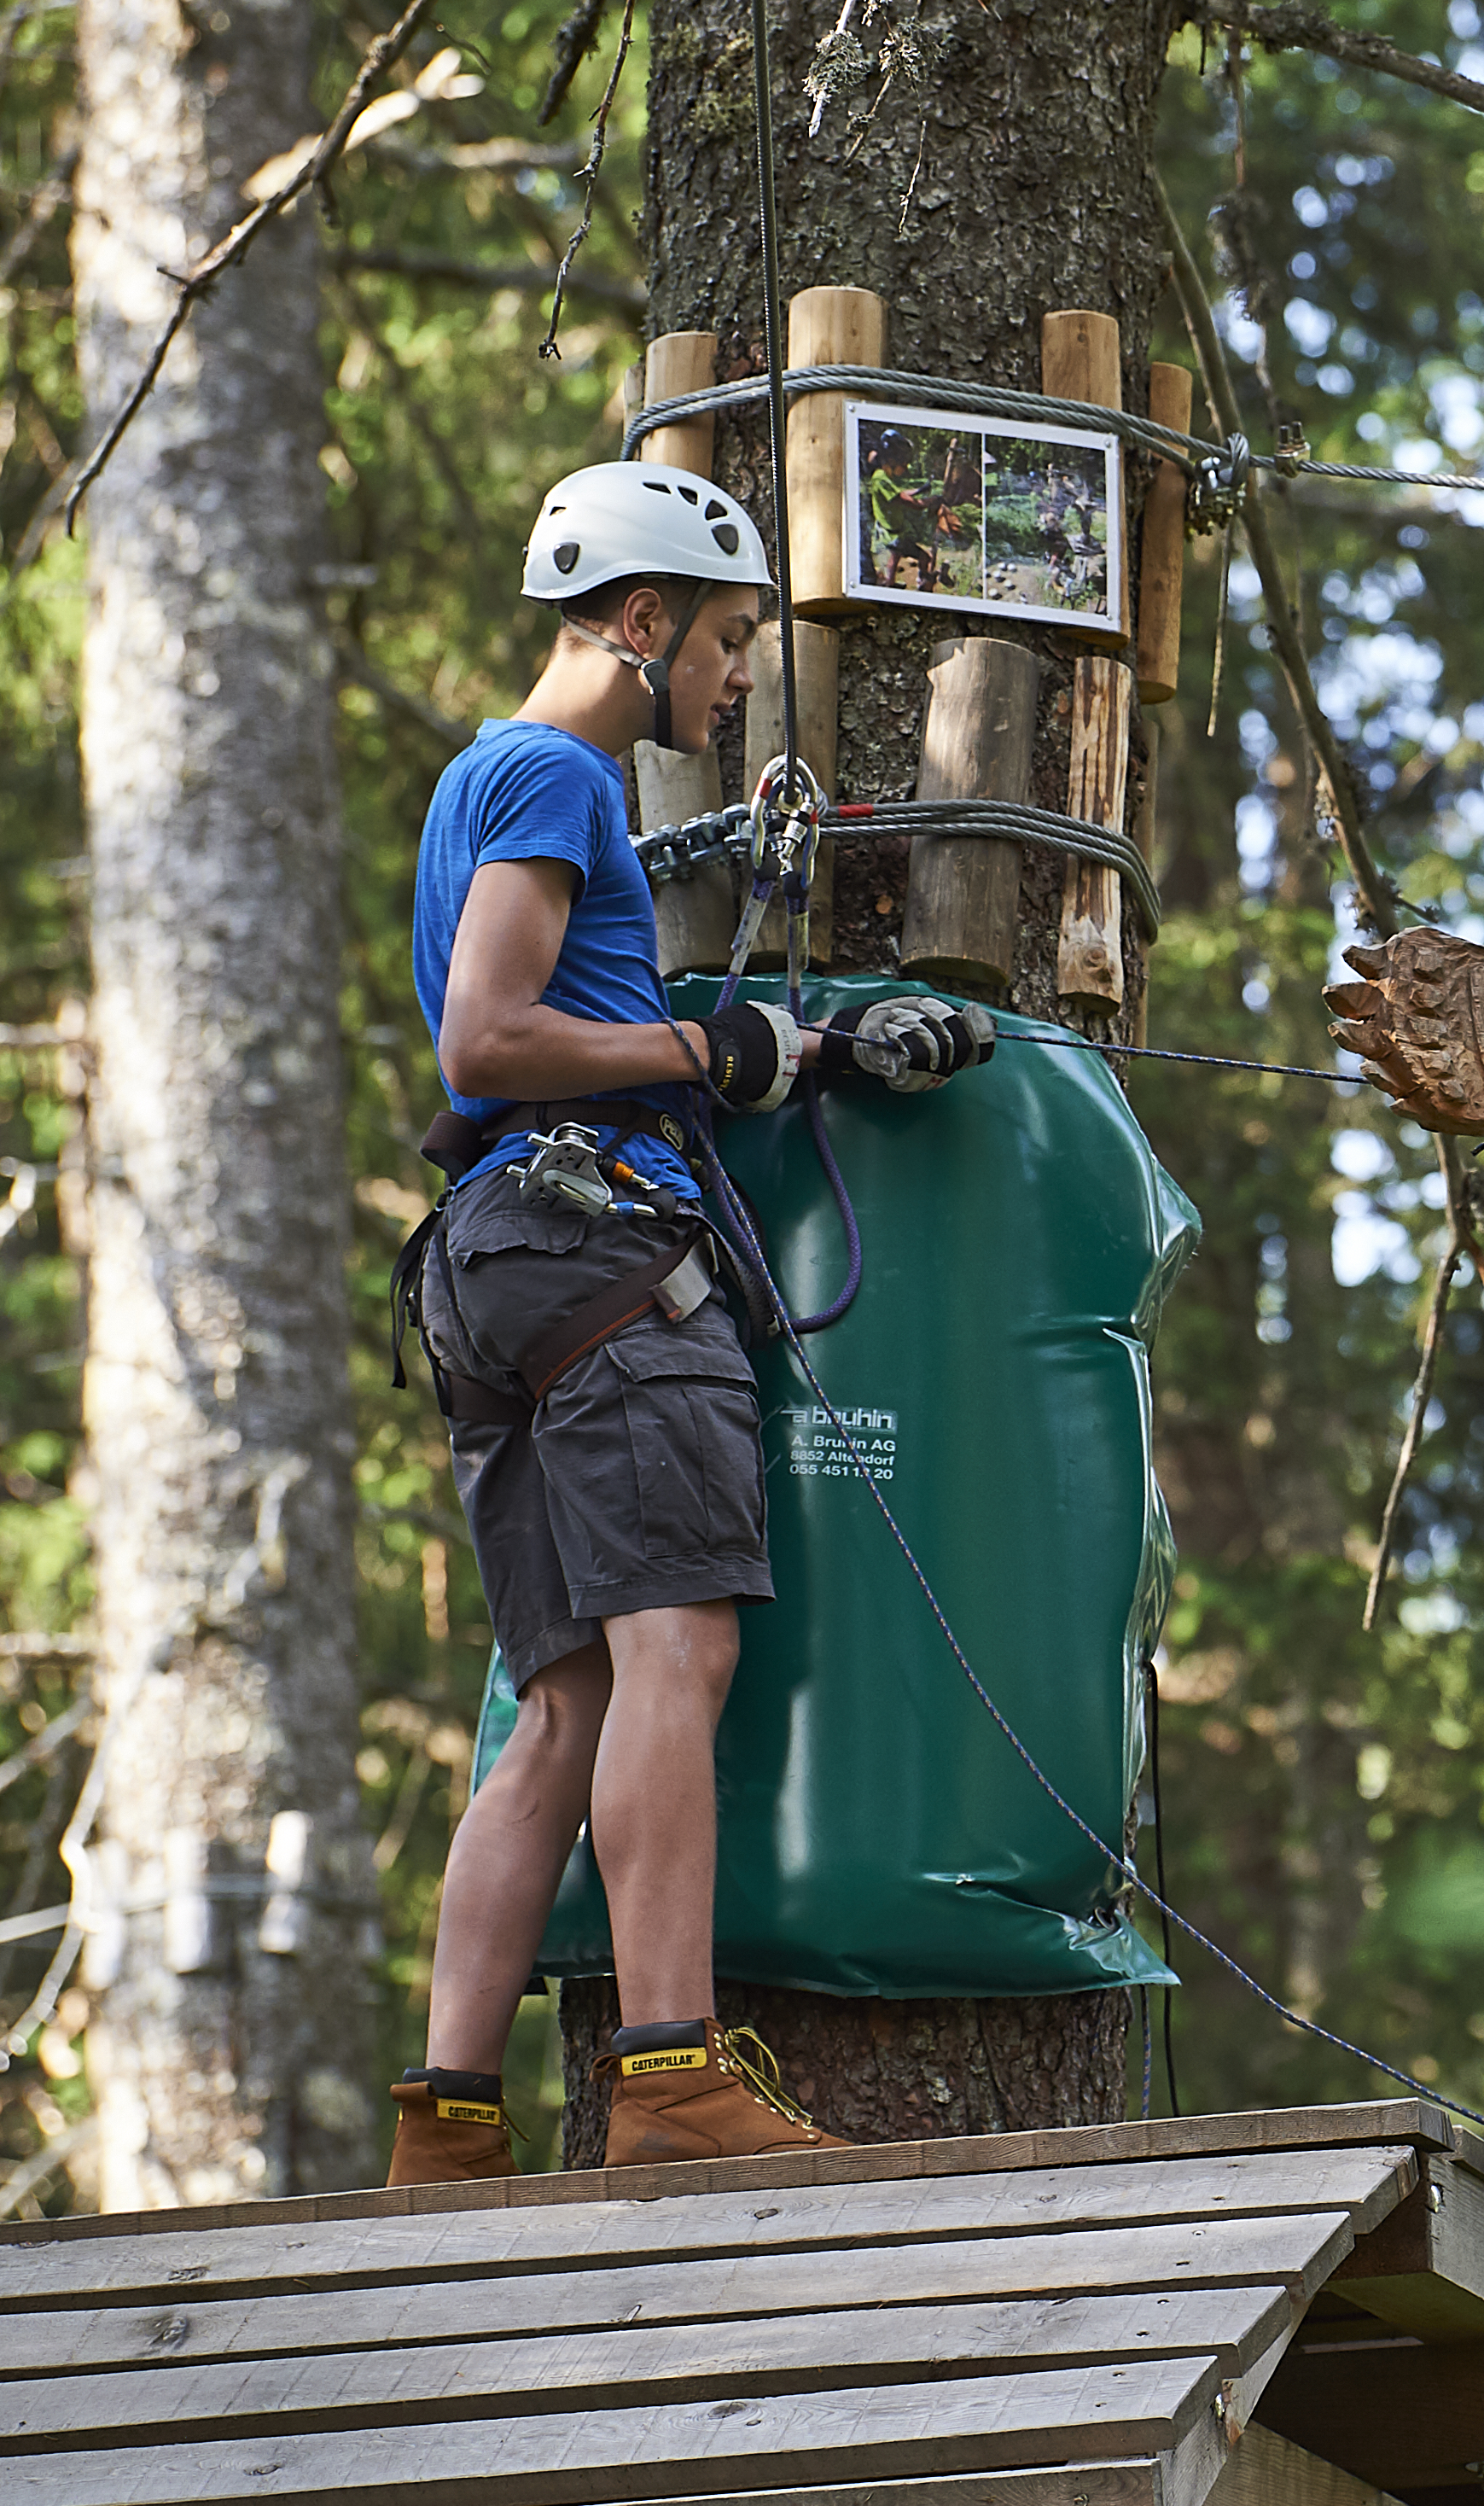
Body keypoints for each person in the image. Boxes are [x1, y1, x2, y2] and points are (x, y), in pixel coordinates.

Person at [385, 461, 997, 2185]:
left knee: (563, 1700)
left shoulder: (482, 780)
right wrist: (697, 1050)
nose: (735, 681)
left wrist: (799, 1053)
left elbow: (555, 1033)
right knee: (679, 1652)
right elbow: (487, 1037)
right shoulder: (553, 773)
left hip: (500, 1260)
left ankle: (446, 2120)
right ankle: (667, 2073)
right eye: (726, 641)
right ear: (641, 619)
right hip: (597, 1258)